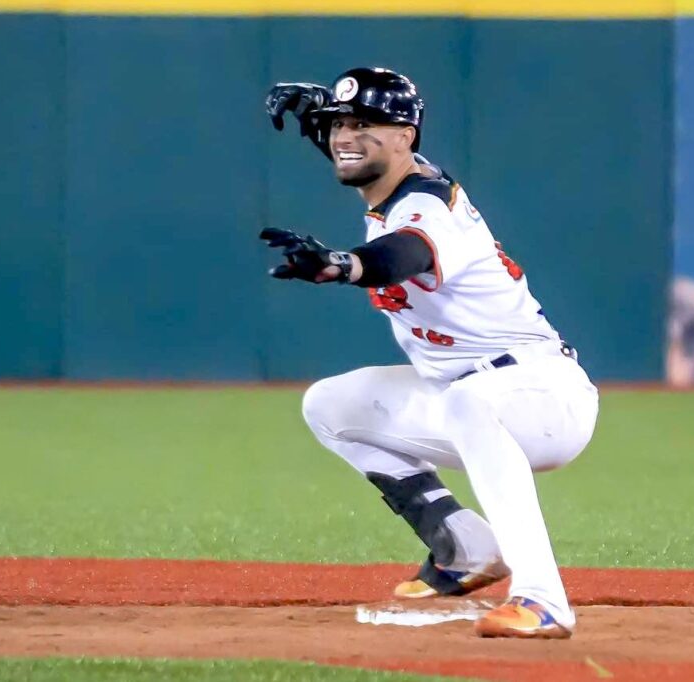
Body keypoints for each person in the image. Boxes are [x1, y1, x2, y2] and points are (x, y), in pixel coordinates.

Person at [262, 67, 598, 639]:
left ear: (406, 136)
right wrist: (323, 124)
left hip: (542, 397)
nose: (346, 135)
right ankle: (463, 547)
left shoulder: (427, 204)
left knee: (470, 402)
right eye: (340, 124)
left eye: (364, 123)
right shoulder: (395, 182)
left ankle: (544, 601)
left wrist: (345, 265)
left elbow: (406, 254)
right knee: (331, 405)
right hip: (467, 393)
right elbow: (365, 158)